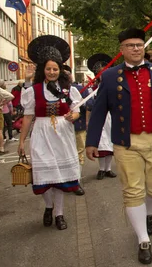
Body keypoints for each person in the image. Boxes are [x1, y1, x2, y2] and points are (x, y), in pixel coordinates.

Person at [85, 28, 152, 265]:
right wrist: (91, 142)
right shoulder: (110, 76)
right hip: (125, 143)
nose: (136, 49)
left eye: (139, 45)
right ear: (122, 49)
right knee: (132, 189)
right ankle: (143, 240)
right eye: (130, 45)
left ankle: (149, 212)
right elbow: (100, 110)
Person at [18, 35, 83, 231]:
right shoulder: (33, 91)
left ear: (59, 70)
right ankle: (48, 206)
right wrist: (21, 141)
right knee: (44, 174)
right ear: (43, 70)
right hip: (41, 133)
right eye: (49, 69)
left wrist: (75, 115)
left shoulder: (68, 90)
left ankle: (59, 214)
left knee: (60, 177)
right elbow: (28, 117)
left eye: (55, 69)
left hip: (62, 134)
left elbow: (77, 109)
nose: (52, 72)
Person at [85, 54, 117, 180]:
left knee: (109, 141)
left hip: (110, 117)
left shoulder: (113, 86)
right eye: (100, 72)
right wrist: (88, 120)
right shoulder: (92, 88)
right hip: (98, 117)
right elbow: (88, 105)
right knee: (101, 142)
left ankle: (108, 168)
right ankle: (101, 169)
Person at [64, 65, 88, 196]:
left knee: (79, 152)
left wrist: (81, 103)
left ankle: (76, 180)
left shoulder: (77, 89)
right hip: (60, 129)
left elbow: (89, 105)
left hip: (78, 125)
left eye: (68, 73)